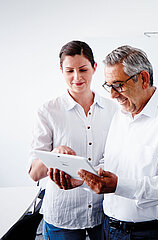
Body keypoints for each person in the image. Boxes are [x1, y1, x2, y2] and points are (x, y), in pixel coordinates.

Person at [75, 45, 158, 240]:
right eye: (108, 85)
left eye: (118, 85)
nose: (112, 94)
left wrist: (119, 186)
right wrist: (83, 177)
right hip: (109, 227)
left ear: (143, 79)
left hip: (149, 233)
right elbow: (113, 165)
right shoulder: (121, 114)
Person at [28, 40, 118, 240]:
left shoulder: (113, 110)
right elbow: (34, 173)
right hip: (63, 215)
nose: (77, 77)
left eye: (83, 69)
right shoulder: (47, 111)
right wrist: (55, 155)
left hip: (102, 212)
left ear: (94, 68)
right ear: (61, 70)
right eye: (69, 71)